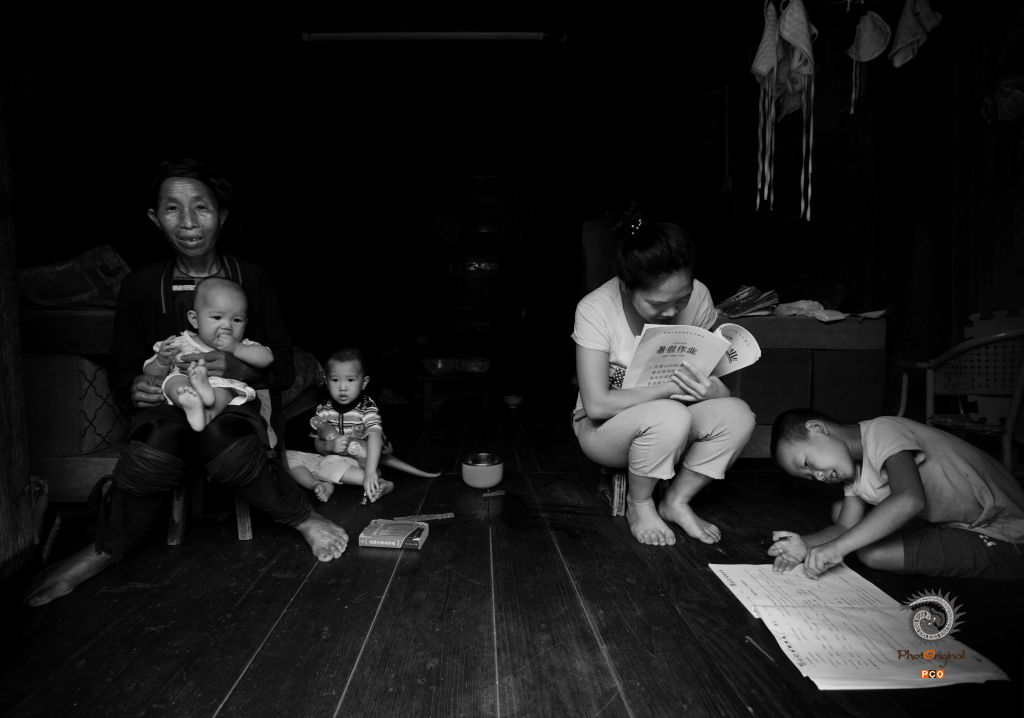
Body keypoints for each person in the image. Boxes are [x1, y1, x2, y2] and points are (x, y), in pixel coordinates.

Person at [24, 159, 349, 607]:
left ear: (223, 215)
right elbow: (122, 371)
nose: (189, 222)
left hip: (230, 408)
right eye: (173, 208)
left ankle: (301, 517)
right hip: (170, 406)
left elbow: (284, 369)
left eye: (202, 207)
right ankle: (105, 548)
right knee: (157, 438)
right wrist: (135, 386)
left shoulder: (252, 279)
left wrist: (232, 365)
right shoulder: (140, 287)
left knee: (222, 433)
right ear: (155, 218)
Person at [572, 211, 755, 546]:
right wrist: (670, 388)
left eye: (681, 299)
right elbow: (596, 405)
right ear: (626, 286)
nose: (672, 311)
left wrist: (717, 391)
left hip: (677, 421)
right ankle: (640, 504)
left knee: (738, 414)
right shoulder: (595, 309)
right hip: (604, 431)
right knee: (669, 414)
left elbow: (705, 374)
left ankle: (676, 501)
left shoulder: (699, 296)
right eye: (657, 303)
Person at [767, 408, 1024, 580]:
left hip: (1005, 532)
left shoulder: (883, 430)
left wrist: (835, 549)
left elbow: (909, 499)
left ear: (817, 428)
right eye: (810, 476)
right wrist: (807, 544)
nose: (819, 477)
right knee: (845, 516)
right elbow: (846, 525)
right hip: (957, 523)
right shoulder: (851, 472)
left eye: (807, 464)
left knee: (872, 552)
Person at [286, 348, 440, 503]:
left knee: (331, 466)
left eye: (350, 380)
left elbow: (375, 437)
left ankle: (380, 483)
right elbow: (317, 442)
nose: (342, 387)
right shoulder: (323, 410)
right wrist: (329, 446)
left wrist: (371, 472)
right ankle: (317, 484)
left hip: (360, 460)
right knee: (287, 457)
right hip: (327, 457)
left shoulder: (366, 408)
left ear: (364, 383)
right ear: (326, 382)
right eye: (335, 380)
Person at [144, 278, 273, 431]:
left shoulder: (242, 346)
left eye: (237, 320)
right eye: (217, 317)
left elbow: (267, 358)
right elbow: (151, 375)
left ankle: (205, 415)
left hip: (220, 387)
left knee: (225, 390)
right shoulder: (178, 343)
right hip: (185, 384)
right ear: (195, 320)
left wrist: (237, 348)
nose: (227, 326)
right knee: (174, 381)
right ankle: (190, 403)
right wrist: (161, 362)